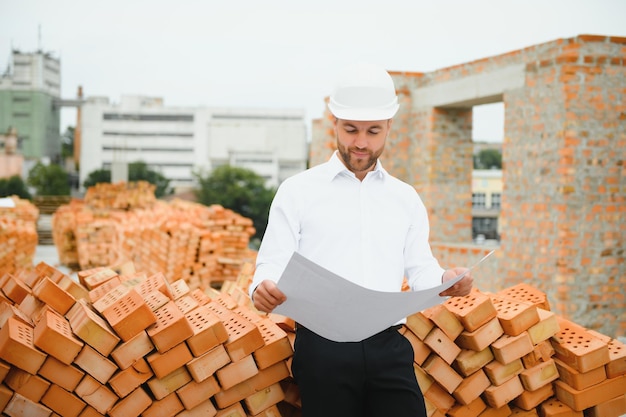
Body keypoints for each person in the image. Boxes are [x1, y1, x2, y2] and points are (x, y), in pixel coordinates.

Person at [249, 62, 473, 417]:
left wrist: (446, 280)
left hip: (388, 347)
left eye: (373, 131)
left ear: (388, 128)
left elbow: (421, 269)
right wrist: (263, 286)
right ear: (334, 123)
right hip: (323, 349)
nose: (361, 143)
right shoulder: (297, 191)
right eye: (351, 130)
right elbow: (272, 262)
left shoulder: (405, 198)